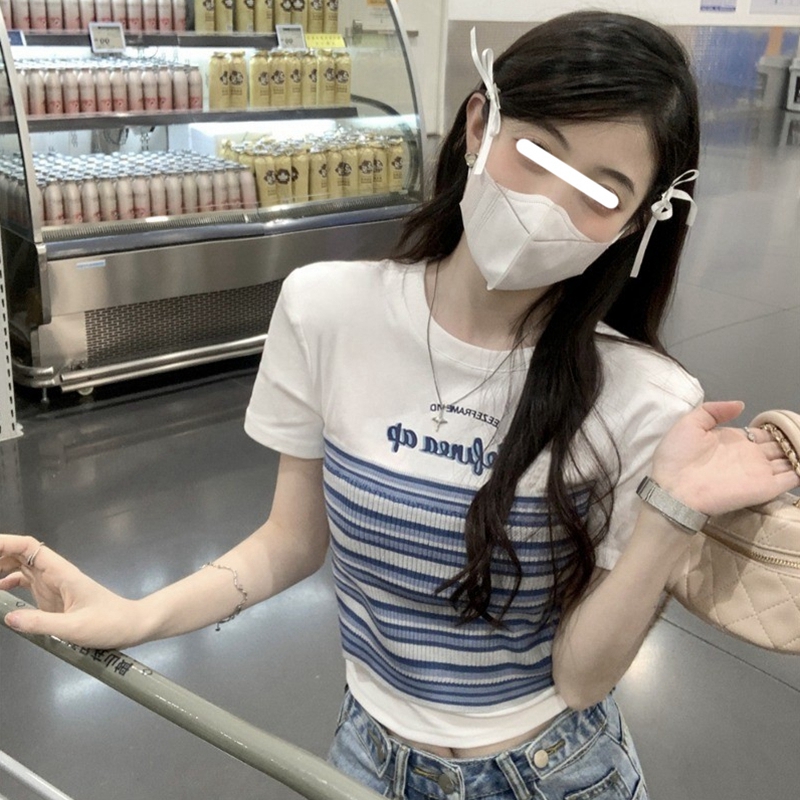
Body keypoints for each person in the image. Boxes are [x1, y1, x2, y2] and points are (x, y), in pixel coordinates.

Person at [1, 11, 798, 800]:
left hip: (556, 775)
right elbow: (290, 540)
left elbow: (582, 679)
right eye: (536, 152)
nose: (551, 203)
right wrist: (135, 616)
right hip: (366, 756)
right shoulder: (324, 309)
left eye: (601, 192)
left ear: (638, 223)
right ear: (479, 124)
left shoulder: (646, 396)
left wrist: (672, 512)